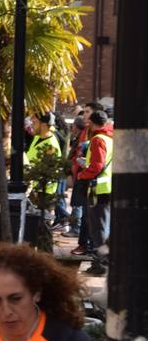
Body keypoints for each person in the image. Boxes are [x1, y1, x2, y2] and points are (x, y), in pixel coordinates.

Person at [71, 109, 112, 256]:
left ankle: (101, 261)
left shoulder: (98, 139)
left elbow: (97, 166)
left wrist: (82, 174)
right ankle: (102, 258)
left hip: (97, 189)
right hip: (107, 187)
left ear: (91, 124)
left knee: (98, 228)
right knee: (104, 226)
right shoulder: (110, 138)